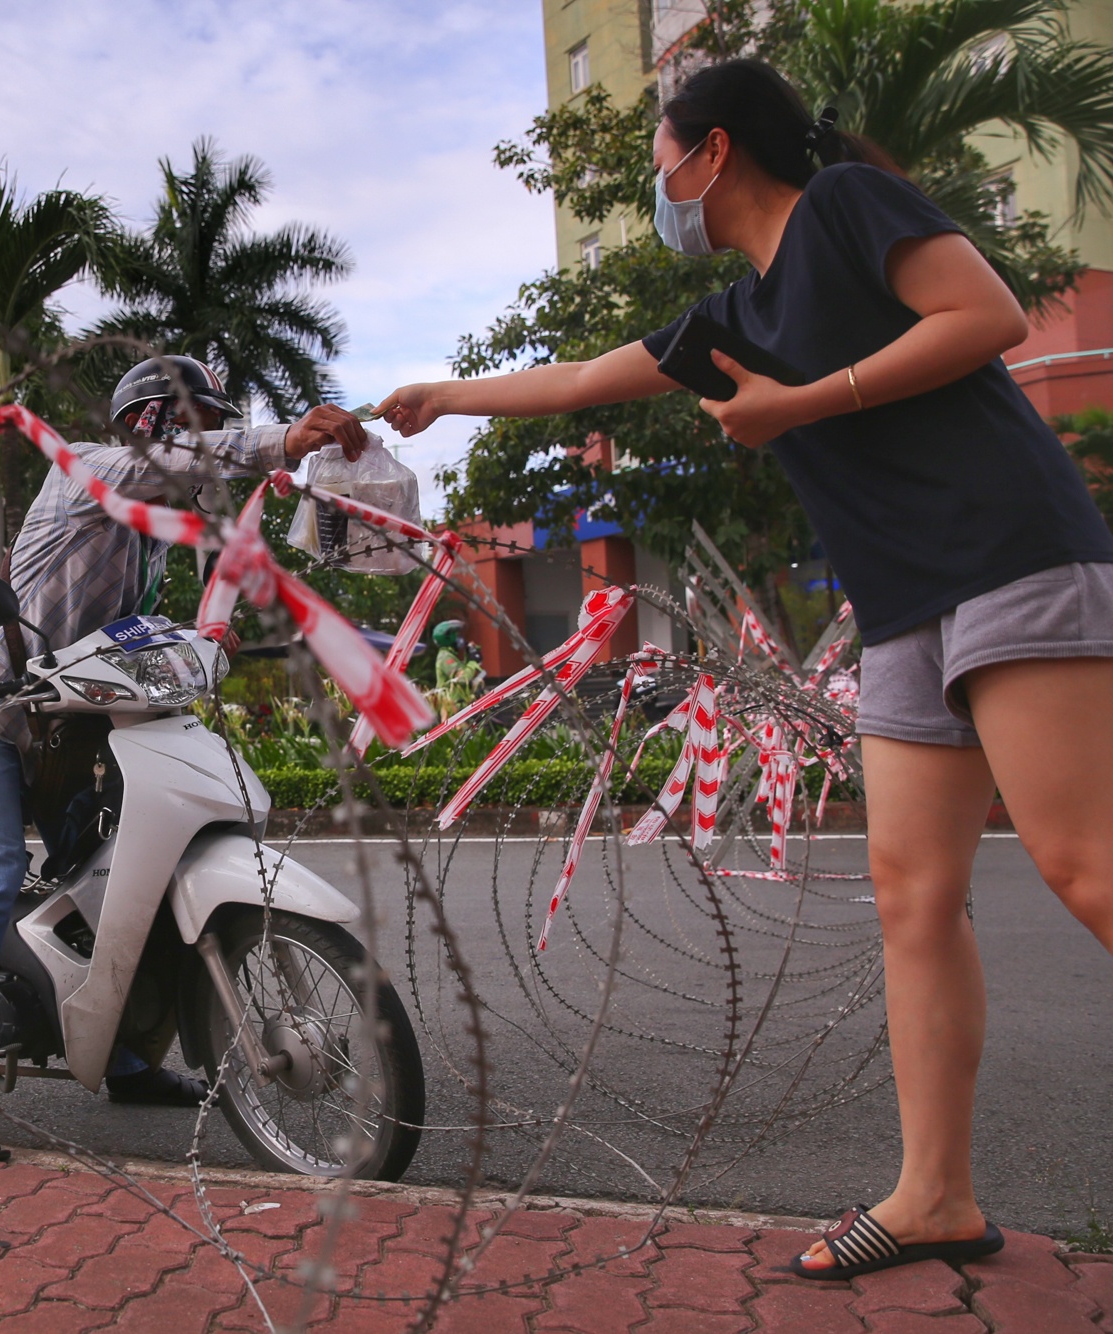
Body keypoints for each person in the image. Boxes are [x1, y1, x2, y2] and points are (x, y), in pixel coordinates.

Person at [378, 57, 1113, 1281]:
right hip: (903, 610)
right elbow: (573, 377)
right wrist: (434, 396)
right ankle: (933, 1194)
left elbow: (983, 317)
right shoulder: (729, 320)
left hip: (1009, 559)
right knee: (910, 895)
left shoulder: (841, 207)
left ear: (710, 152)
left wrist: (801, 406)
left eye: (659, 157)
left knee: (1082, 858)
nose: (655, 183)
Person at [0, 355, 369, 1161]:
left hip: (69, 729)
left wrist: (196, 639)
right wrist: (279, 438)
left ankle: (129, 1059)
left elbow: (120, 637)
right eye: (199, 425)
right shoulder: (92, 471)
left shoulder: (150, 539)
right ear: (156, 423)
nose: (206, 442)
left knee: (120, 879)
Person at [431, 619, 482, 708]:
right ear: (447, 638)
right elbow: (462, 679)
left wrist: (469, 653)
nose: (459, 638)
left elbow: (462, 670)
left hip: (459, 705)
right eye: (456, 635)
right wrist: (472, 662)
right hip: (452, 708)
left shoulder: (449, 655)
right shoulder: (445, 658)